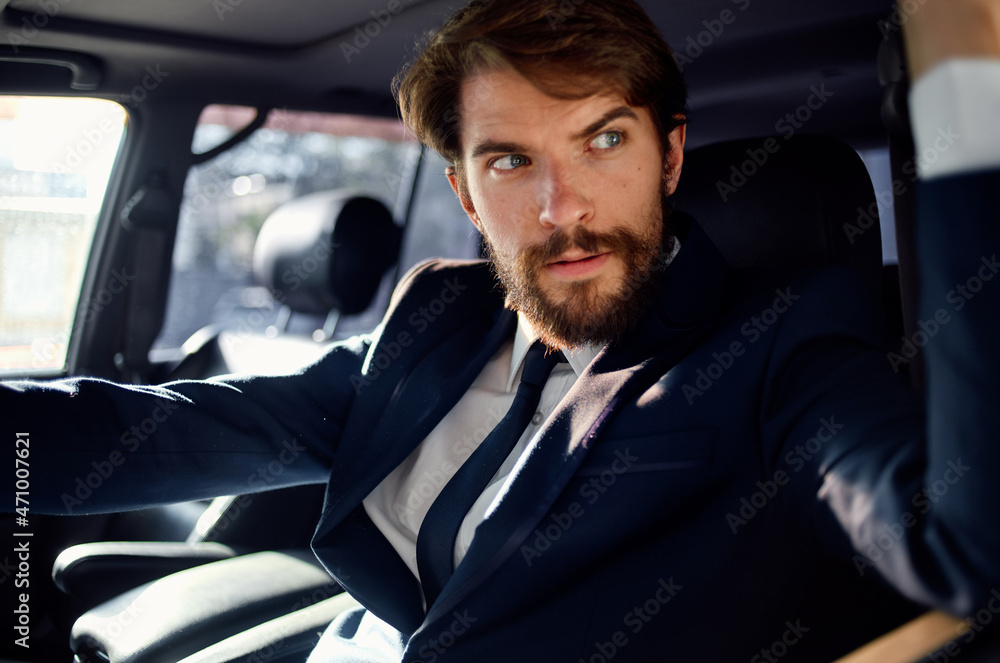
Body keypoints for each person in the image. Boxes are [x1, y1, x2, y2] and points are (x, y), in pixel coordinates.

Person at [4, 0, 1000, 660]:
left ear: (668, 156)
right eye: (511, 161)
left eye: (603, 140)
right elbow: (162, 430)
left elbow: (968, 547)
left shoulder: (786, 346)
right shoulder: (434, 315)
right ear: (466, 195)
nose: (562, 205)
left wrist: (966, 86)